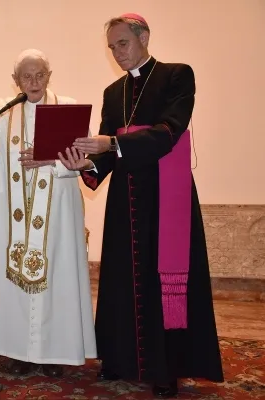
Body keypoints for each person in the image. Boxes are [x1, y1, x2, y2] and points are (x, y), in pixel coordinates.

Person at [59, 13, 223, 398]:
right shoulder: (112, 92)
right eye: (112, 47)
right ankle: (120, 359)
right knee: (122, 278)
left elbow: (170, 130)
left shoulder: (177, 75)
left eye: (123, 43)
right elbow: (105, 155)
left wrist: (111, 144)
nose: (117, 53)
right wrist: (86, 163)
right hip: (125, 201)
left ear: (143, 36)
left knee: (162, 280)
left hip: (166, 196)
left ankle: (168, 368)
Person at [0, 49, 97, 378]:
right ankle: (20, 352)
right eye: (26, 76)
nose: (34, 82)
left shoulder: (67, 107)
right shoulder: (7, 112)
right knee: (15, 284)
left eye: (39, 75)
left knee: (58, 279)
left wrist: (49, 160)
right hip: (12, 216)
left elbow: (80, 158)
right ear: (16, 81)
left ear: (49, 76)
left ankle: (55, 353)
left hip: (57, 216)